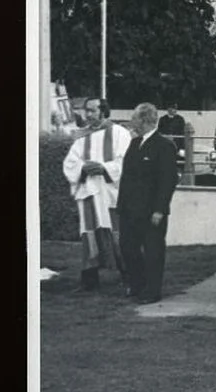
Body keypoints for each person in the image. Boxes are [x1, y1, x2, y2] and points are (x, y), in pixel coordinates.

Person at [62, 97, 133, 291]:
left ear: (103, 111)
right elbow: (70, 163)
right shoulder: (81, 137)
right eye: (86, 111)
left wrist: (103, 168)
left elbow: (126, 160)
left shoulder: (119, 133)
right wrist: (83, 168)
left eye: (92, 110)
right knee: (89, 235)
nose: (88, 114)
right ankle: (89, 281)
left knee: (117, 234)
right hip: (89, 194)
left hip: (110, 192)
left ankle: (129, 277)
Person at [116, 103, 178, 304]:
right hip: (130, 210)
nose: (132, 123)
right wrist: (121, 206)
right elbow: (126, 178)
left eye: (134, 119)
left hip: (151, 211)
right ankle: (137, 284)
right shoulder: (134, 145)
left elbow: (167, 181)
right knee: (128, 248)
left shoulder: (164, 146)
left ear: (144, 120)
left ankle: (152, 291)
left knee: (153, 251)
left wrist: (160, 209)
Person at [157, 102, 186, 171]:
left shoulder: (180, 119)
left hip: (177, 145)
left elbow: (182, 133)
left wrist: (182, 148)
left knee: (178, 161)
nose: (175, 110)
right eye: (173, 108)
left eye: (176, 108)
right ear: (168, 109)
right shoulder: (163, 119)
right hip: (165, 145)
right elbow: (159, 132)